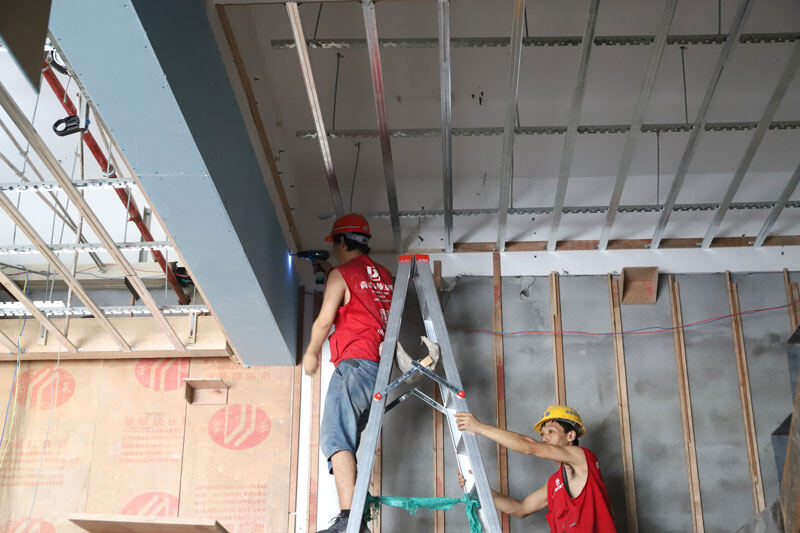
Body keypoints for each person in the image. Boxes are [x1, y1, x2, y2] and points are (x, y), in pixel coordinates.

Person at [303, 213, 393, 533]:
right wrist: (328, 273)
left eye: (336, 245)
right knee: (349, 438)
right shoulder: (385, 274)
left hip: (354, 365)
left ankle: (348, 521)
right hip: (379, 371)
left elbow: (326, 320)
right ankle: (355, 513)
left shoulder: (341, 274)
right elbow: (363, 300)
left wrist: (312, 351)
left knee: (336, 437)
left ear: (342, 241)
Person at [455, 404, 617, 532]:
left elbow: (529, 447)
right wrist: (480, 488)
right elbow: (520, 509)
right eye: (542, 434)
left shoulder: (583, 457)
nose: (544, 438)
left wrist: (480, 428)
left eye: (551, 431)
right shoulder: (554, 482)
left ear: (571, 436)